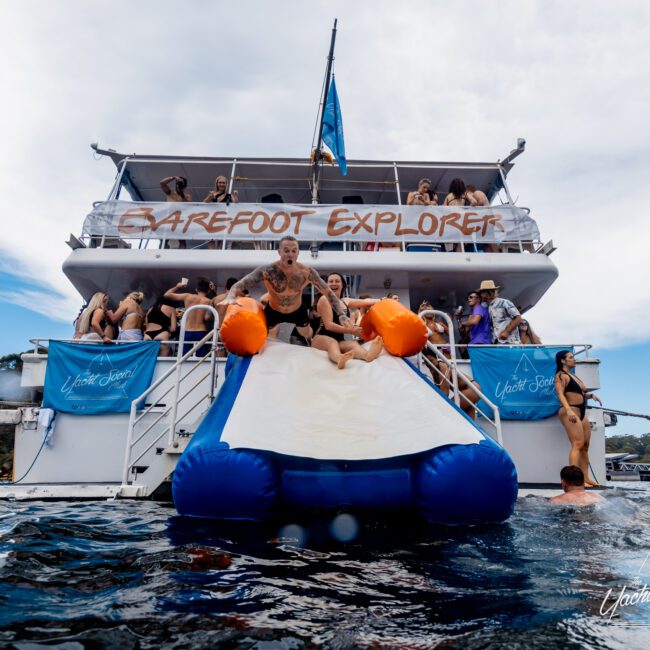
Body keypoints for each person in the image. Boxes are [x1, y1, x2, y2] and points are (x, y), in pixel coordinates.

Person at [219, 236, 352, 344]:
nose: (290, 254)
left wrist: (341, 314)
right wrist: (230, 296)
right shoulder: (267, 270)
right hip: (274, 310)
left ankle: (313, 342)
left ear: (298, 252)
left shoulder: (306, 272)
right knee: (266, 337)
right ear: (279, 251)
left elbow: (327, 292)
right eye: (286, 250)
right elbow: (241, 284)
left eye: (294, 251)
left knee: (306, 334)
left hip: (297, 310)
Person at [312, 272, 383, 369]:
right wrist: (350, 330)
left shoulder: (345, 301)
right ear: (326, 285)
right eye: (330, 281)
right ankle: (339, 358)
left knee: (352, 344)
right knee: (332, 343)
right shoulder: (324, 299)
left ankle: (368, 355)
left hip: (339, 339)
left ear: (342, 285)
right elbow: (329, 325)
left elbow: (365, 301)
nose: (334, 283)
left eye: (337, 281)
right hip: (321, 338)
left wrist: (384, 299)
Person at [554, 350, 603, 488]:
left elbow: (582, 392)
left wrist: (591, 396)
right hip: (570, 410)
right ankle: (572, 481)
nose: (574, 359)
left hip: (581, 412)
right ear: (563, 361)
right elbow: (560, 394)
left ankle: (585, 478)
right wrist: (569, 410)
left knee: (585, 446)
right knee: (577, 444)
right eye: (570, 357)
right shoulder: (560, 376)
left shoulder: (573, 376)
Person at [164, 277, 215, 357]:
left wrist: (177, 287)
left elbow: (166, 295)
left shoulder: (188, 296)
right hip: (201, 331)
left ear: (196, 289)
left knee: (185, 358)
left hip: (187, 331)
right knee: (201, 359)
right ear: (208, 290)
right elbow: (207, 317)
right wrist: (214, 291)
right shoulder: (209, 301)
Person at [477, 280, 522, 344]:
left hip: (509, 342)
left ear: (490, 292)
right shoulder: (487, 307)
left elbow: (518, 318)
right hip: (496, 342)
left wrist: (507, 332)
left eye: (482, 292)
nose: (481, 295)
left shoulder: (504, 302)